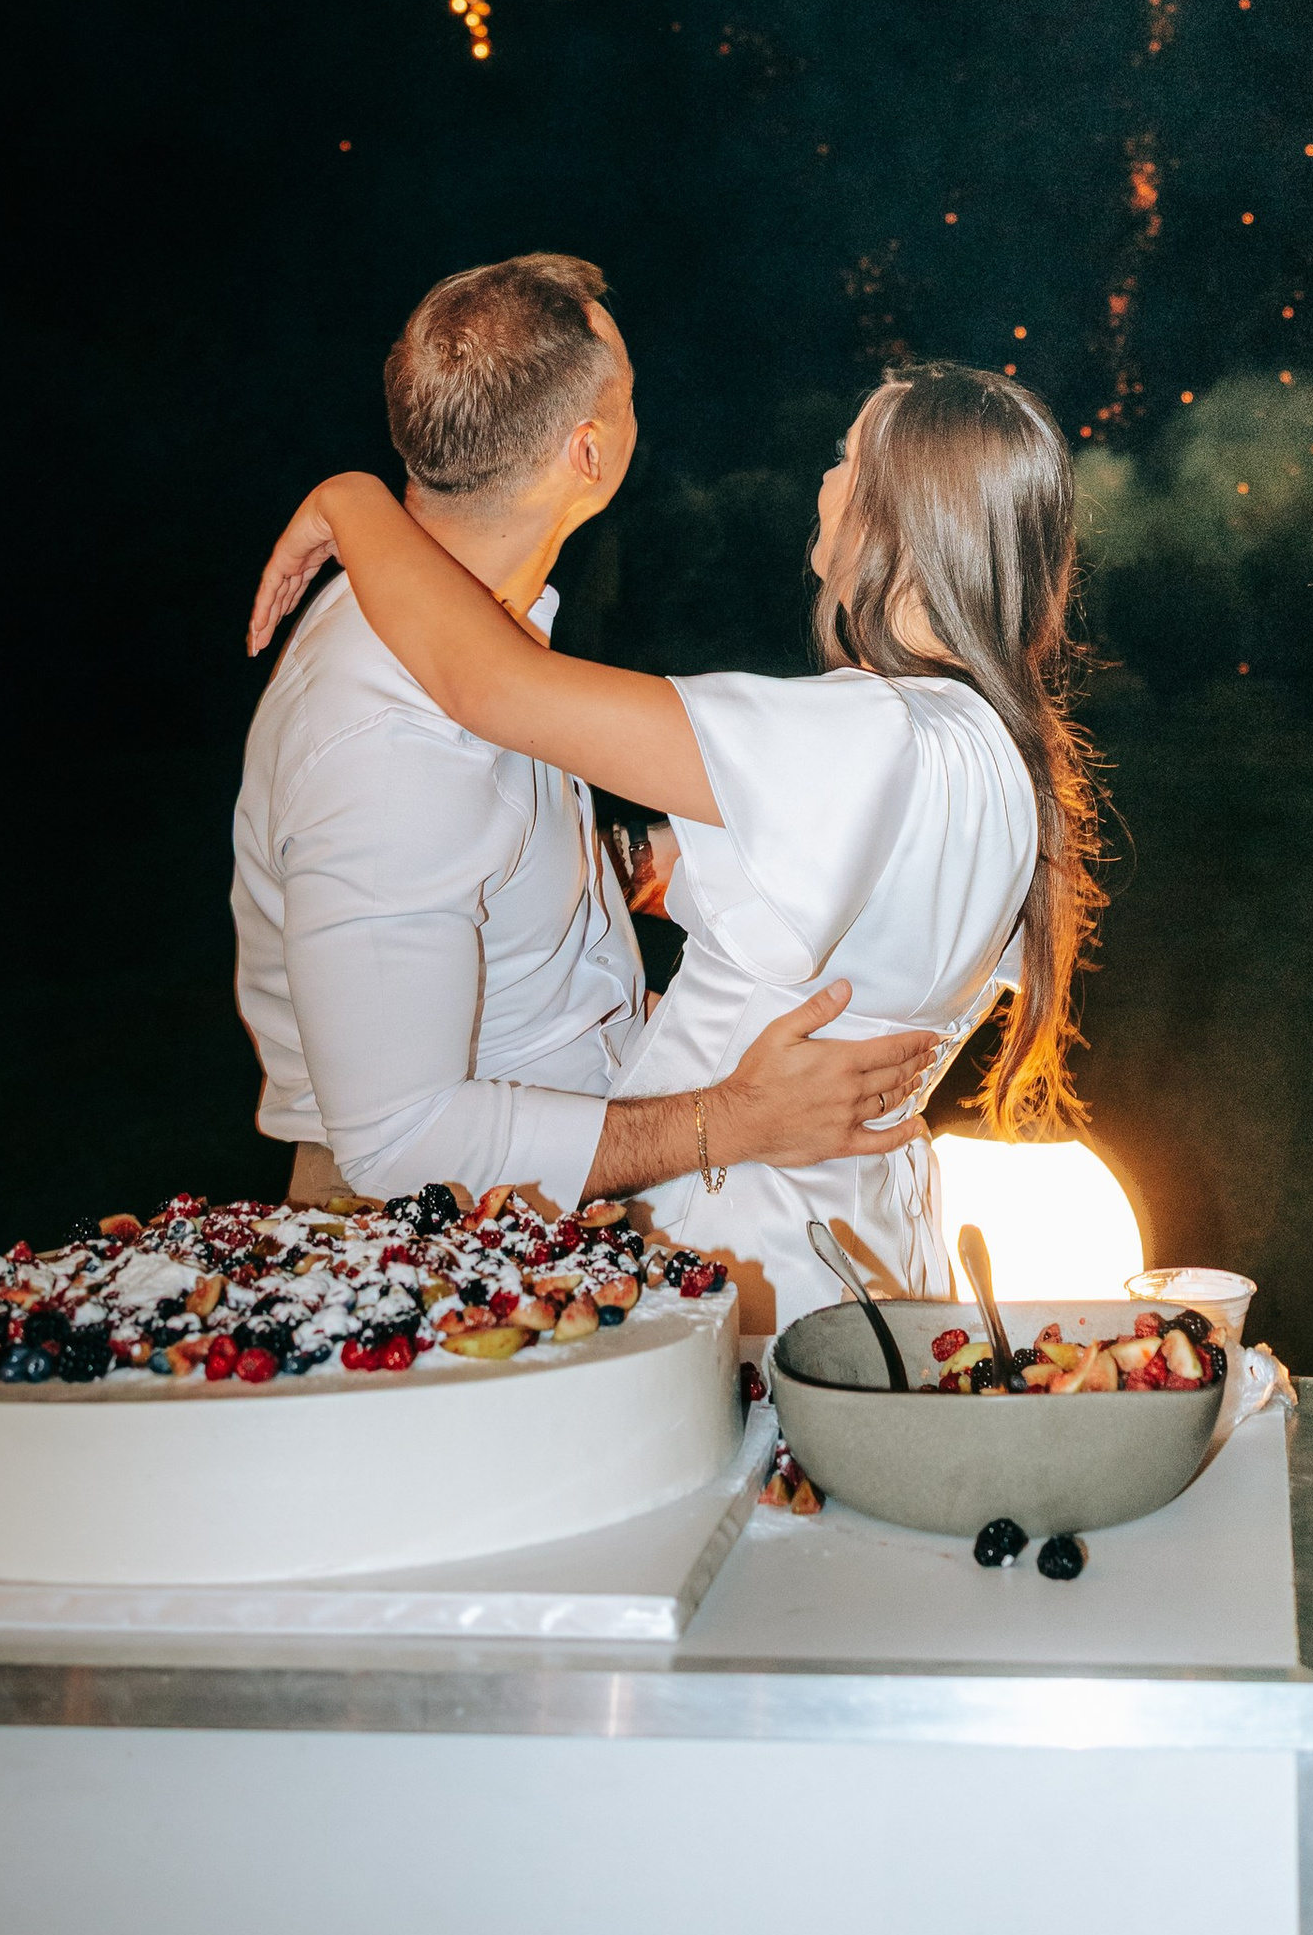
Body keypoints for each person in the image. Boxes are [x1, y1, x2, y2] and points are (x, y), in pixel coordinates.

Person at [250, 355, 1105, 1333]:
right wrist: (607, 880)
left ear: (901, 520)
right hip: (864, 1248)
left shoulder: (855, 738)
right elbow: (802, 897)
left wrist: (354, 504)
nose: (824, 481)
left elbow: (489, 687)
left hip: (730, 1249)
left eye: (847, 456)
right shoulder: (996, 754)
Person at [231, 252, 940, 1218]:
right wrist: (734, 1118)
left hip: (551, 1212)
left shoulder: (464, 630)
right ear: (589, 453)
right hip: (437, 1267)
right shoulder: (392, 736)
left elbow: (506, 864)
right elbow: (400, 1144)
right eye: (632, 393)